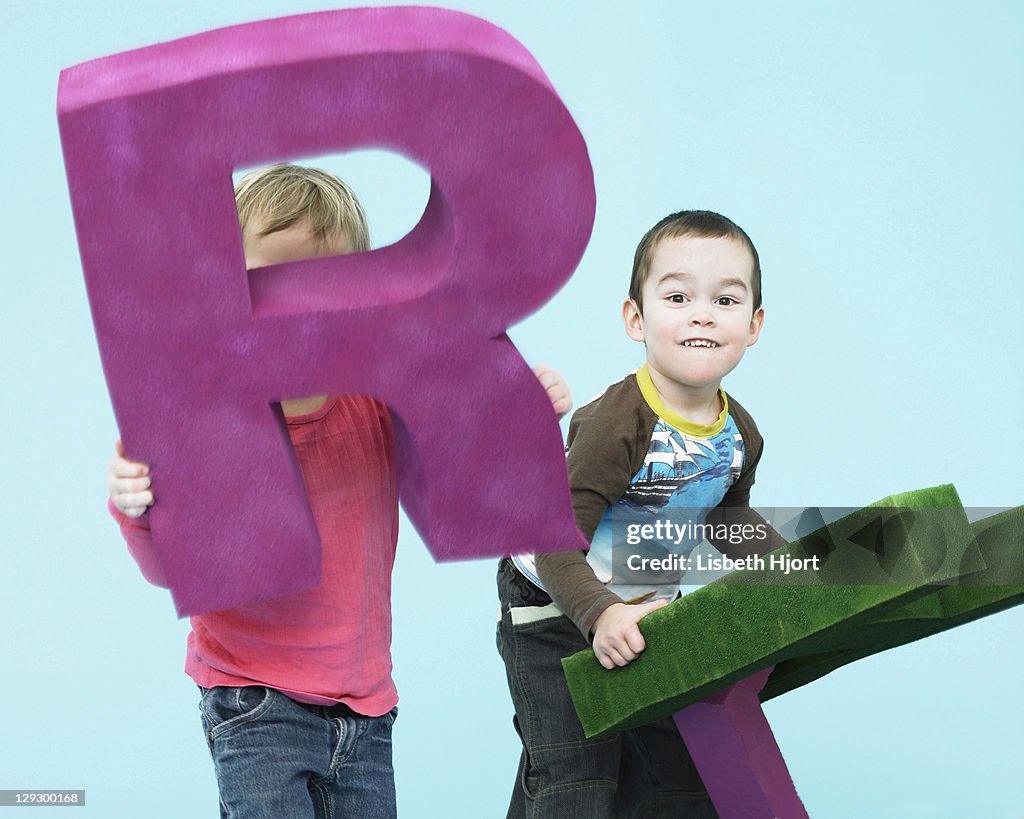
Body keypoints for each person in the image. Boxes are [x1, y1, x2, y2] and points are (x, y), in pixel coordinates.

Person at [107, 163, 572, 819]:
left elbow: (457, 463)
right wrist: (140, 506)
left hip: (365, 706)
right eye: (269, 284)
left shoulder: (375, 401)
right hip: (253, 697)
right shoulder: (205, 422)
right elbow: (171, 567)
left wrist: (518, 413)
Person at [497, 210, 785, 817]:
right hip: (552, 601)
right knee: (576, 779)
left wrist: (791, 572)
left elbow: (724, 516)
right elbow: (554, 539)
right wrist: (599, 615)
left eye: (726, 300)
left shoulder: (739, 434)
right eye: (678, 296)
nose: (702, 314)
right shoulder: (618, 425)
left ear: (754, 324)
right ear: (637, 318)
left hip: (644, 610)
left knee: (680, 783)